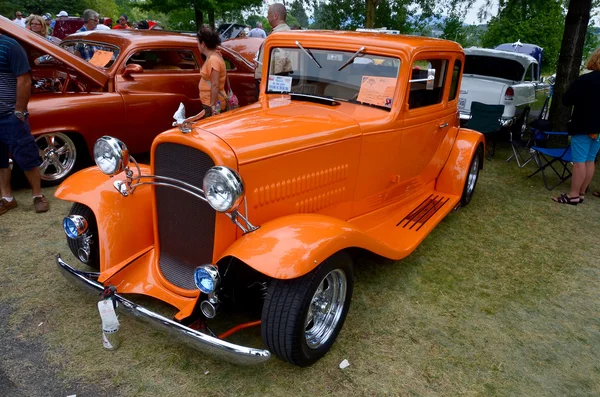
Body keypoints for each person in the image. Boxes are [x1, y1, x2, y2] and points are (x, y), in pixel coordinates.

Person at [0, 34, 49, 214]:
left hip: (10, 115)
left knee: (26, 156)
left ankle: (38, 195)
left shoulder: (9, 45)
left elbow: (24, 79)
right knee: (0, 160)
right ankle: (7, 198)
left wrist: (19, 111)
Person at [553, 47, 600, 205]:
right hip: (599, 129)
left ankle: (573, 195)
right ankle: (581, 194)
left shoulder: (585, 80)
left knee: (579, 161)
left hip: (583, 125)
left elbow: (566, 100)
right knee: (590, 160)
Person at [254, 3, 291, 100]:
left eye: (268, 14)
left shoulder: (279, 35)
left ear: (275, 16)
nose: (267, 16)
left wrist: (268, 79)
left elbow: (280, 64)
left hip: (272, 84)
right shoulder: (285, 32)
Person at [197, 27, 227, 117]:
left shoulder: (213, 59)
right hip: (210, 102)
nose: (197, 45)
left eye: (198, 42)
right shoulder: (214, 56)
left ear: (203, 44)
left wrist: (212, 105)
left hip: (212, 104)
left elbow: (215, 85)